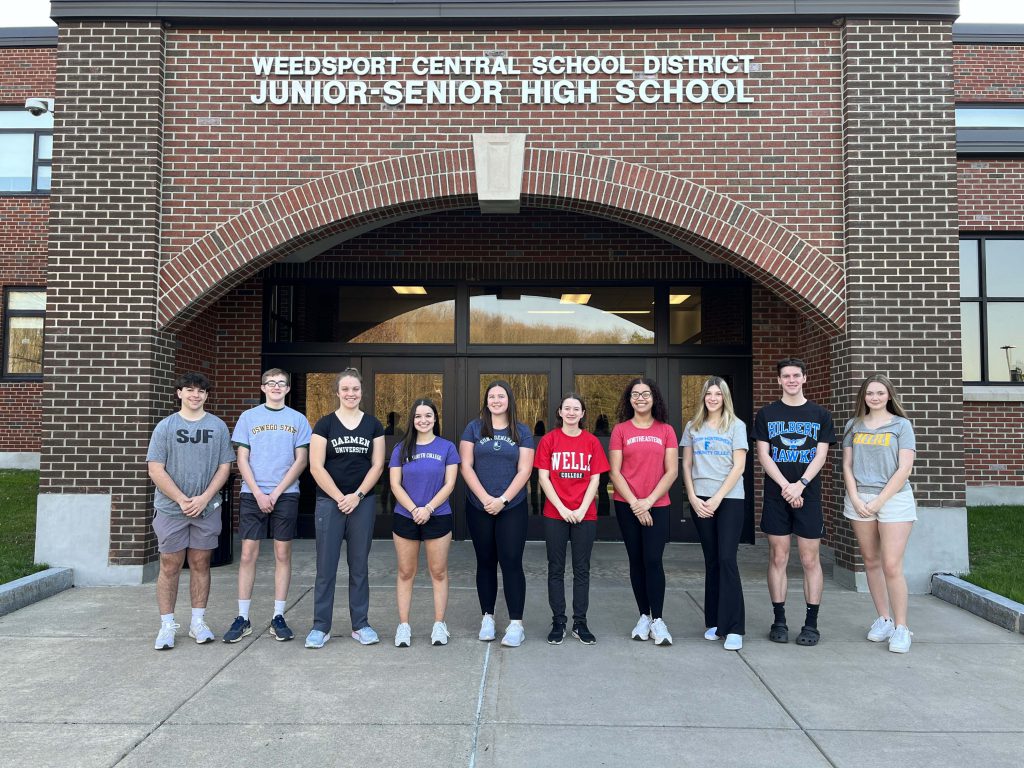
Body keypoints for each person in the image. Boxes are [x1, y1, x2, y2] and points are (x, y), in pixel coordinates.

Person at [146, 372, 234, 650]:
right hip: (171, 509)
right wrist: (182, 499)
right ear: (179, 393)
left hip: (207, 510)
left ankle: (198, 621)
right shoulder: (165, 427)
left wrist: (205, 498)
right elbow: (155, 468)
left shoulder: (217, 426)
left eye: (201, 391)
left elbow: (225, 467)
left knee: (200, 563)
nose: (195, 395)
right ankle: (167, 625)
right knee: (170, 565)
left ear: (207, 396)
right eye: (190, 390)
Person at [223, 368, 311, 643]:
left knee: (282, 554)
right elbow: (242, 459)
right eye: (271, 383)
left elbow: (301, 461)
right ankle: (243, 617)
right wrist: (260, 493)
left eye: (281, 384)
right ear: (263, 388)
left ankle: (278, 616)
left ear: (287, 389)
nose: (275, 387)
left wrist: (278, 491)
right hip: (253, 494)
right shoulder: (249, 417)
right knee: (248, 554)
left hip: (286, 494)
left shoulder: (298, 419)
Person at [754, 358, 835, 647]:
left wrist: (800, 485)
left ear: (804, 378)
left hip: (808, 495)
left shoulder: (820, 414)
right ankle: (779, 620)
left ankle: (811, 624)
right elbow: (764, 455)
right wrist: (786, 487)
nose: (790, 380)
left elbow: (820, 455)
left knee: (809, 558)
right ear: (778, 381)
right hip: (777, 495)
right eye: (785, 376)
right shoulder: (767, 414)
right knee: (778, 557)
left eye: (795, 375)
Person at [306, 367, 386, 649]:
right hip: (330, 502)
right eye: (346, 389)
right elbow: (315, 466)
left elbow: (377, 464)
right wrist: (341, 496)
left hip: (361, 503)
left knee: (359, 566)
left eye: (355, 389)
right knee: (326, 567)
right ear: (337, 392)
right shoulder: (324, 424)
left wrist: (358, 495)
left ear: (361, 392)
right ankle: (320, 627)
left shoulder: (373, 425)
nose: (351, 394)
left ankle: (361, 624)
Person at [842, 374, 917, 653]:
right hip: (860, 499)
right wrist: (855, 497)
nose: (875, 397)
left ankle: (901, 627)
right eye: (870, 393)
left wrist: (878, 502)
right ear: (863, 396)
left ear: (889, 396)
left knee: (891, 565)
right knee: (871, 561)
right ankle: (883, 619)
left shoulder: (901, 425)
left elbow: (904, 469)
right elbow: (847, 465)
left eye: (880, 393)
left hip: (894, 499)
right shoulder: (853, 425)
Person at [460, 380, 535, 647]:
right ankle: (488, 618)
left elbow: (525, 470)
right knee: (486, 561)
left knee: (512, 562)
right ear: (486, 401)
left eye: (500, 396)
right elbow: (466, 466)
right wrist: (484, 498)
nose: (496, 400)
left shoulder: (522, 431)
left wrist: (502, 500)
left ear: (509, 400)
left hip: (511, 507)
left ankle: (516, 624)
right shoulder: (473, 428)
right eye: (491, 396)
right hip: (478, 506)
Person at [535, 392, 609, 645]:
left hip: (584, 514)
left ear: (583, 413)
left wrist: (579, 509)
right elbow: (543, 478)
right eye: (567, 408)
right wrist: (563, 509)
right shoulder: (549, 440)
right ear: (559, 412)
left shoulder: (591, 442)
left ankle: (580, 622)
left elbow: (595, 479)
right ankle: (558, 621)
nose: (571, 412)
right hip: (555, 514)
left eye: (576, 409)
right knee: (555, 569)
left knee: (581, 570)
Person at [608, 377, 678, 646]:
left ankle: (658, 619)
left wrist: (647, 501)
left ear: (654, 398)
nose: (640, 398)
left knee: (653, 560)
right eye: (635, 394)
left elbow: (671, 471)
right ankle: (643, 616)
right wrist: (636, 504)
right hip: (627, 505)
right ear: (629, 399)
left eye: (645, 394)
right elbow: (615, 471)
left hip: (657, 505)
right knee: (636, 560)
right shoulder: (620, 430)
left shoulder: (666, 430)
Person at [681, 377, 748, 651]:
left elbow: (739, 466)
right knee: (711, 560)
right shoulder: (692, 426)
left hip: (729, 499)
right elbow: (686, 465)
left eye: (717, 394)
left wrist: (718, 497)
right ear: (703, 397)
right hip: (701, 501)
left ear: (725, 397)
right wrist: (693, 497)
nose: (712, 398)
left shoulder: (736, 425)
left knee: (726, 558)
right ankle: (715, 622)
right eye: (708, 393)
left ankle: (734, 628)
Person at [389, 398, 460, 647]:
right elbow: (395, 483)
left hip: (437, 516)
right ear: (412, 419)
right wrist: (414, 509)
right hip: (406, 516)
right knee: (406, 572)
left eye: (428, 415)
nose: (423, 420)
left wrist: (428, 508)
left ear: (435, 419)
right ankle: (404, 626)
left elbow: (450, 484)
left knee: (438, 572)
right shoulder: (401, 448)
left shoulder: (447, 447)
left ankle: (439, 624)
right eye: (418, 416)